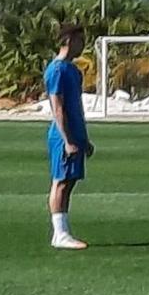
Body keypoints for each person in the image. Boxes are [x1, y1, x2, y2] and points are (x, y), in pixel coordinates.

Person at [45, 24, 94, 250]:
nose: (83, 45)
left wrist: (84, 138)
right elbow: (58, 106)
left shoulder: (74, 70)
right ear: (68, 40)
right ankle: (60, 233)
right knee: (61, 182)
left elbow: (76, 106)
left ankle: (63, 230)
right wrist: (67, 140)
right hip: (63, 135)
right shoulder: (56, 70)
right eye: (80, 40)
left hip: (75, 133)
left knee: (70, 182)